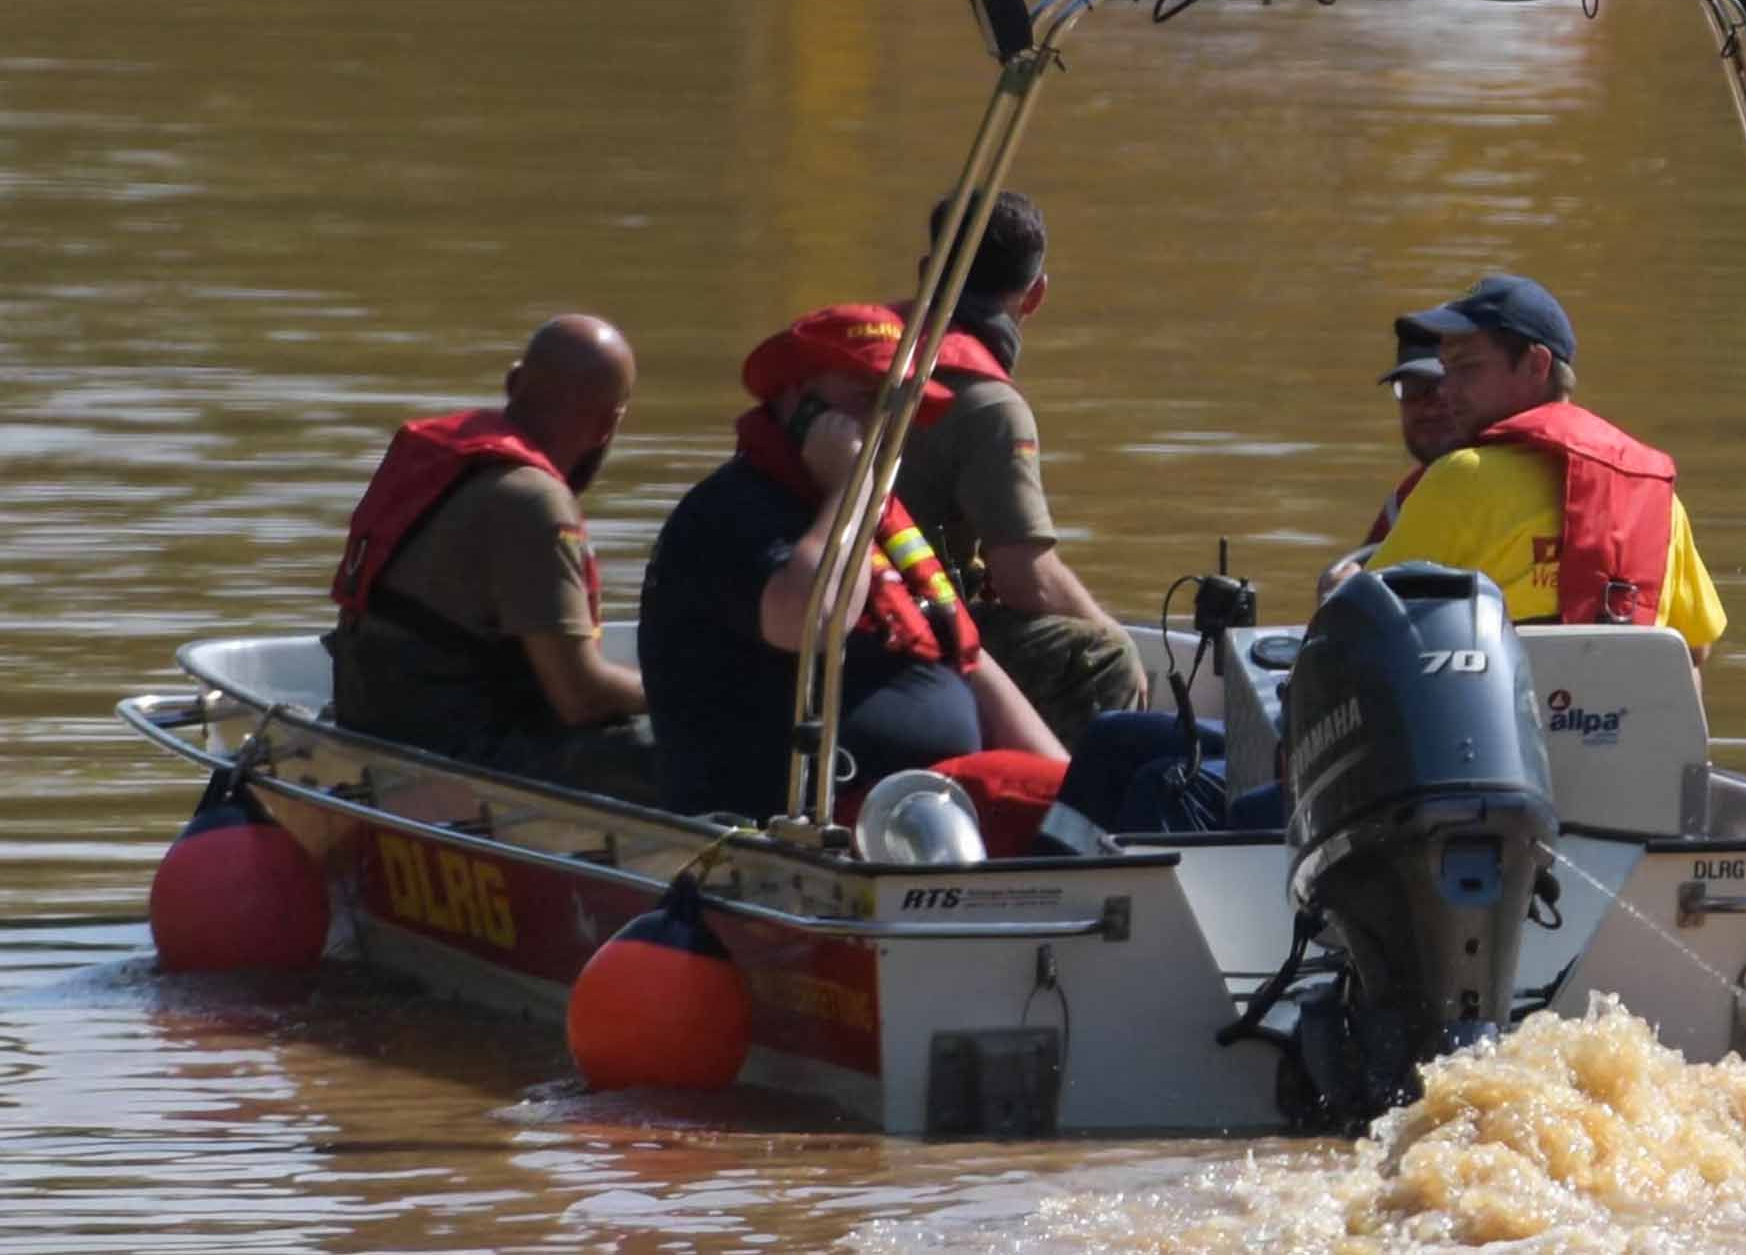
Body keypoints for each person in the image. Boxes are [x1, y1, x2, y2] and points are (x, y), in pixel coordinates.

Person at [638, 303, 1064, 820]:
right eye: (869, 399)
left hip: (934, 810)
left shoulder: (880, 519)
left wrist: (1071, 784)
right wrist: (851, 483)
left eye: (900, 405)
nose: (888, 423)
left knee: (1135, 761)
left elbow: (967, 661)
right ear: (798, 398)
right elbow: (812, 619)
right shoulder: (730, 511)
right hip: (815, 823)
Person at [326, 315, 655, 799]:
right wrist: (681, 696)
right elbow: (578, 697)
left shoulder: (457, 466)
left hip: (372, 721)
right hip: (452, 751)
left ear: (514, 381)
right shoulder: (534, 501)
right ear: (609, 424)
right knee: (683, 749)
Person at [895, 192, 1147, 750]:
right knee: (1105, 659)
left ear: (925, 274)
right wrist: (1111, 634)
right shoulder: (989, 404)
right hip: (893, 628)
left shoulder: (866, 360)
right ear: (1035, 295)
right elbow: (1023, 578)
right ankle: (1068, 826)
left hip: (818, 603)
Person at [1370, 274, 1725, 660]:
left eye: (1467, 368)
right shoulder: (1658, 496)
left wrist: (1340, 586)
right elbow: (1695, 647)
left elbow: (1366, 621)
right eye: (1446, 369)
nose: (1446, 388)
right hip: (1622, 718)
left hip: (1499, 717)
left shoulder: (1461, 476)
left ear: (1536, 365)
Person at [1321, 330, 1467, 596]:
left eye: (1440, 388)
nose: (1428, 407)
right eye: (1412, 390)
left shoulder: (1520, 480)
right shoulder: (1403, 502)